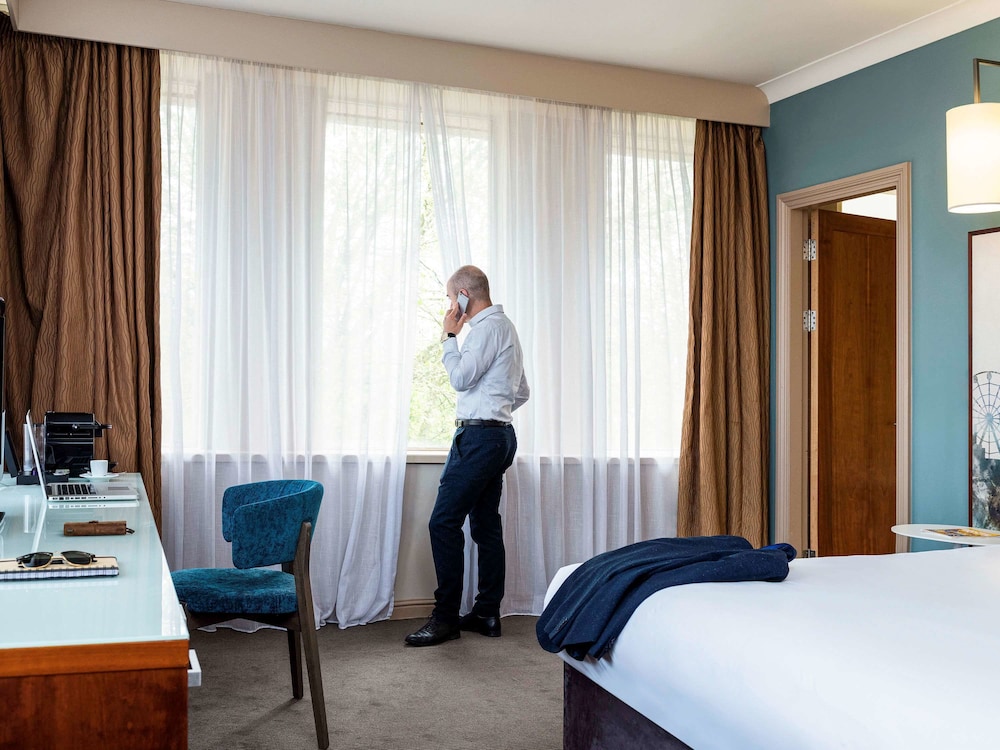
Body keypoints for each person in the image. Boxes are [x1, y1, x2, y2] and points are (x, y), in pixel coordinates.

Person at [405, 265, 530, 647]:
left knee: (443, 523)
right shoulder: (506, 328)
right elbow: (522, 392)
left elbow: (460, 378)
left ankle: (445, 619)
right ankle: (487, 612)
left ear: (464, 295)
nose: (449, 305)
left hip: (478, 439)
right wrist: (494, 411)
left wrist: (449, 336)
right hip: (499, 436)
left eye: (450, 297)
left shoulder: (485, 330)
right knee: (485, 524)